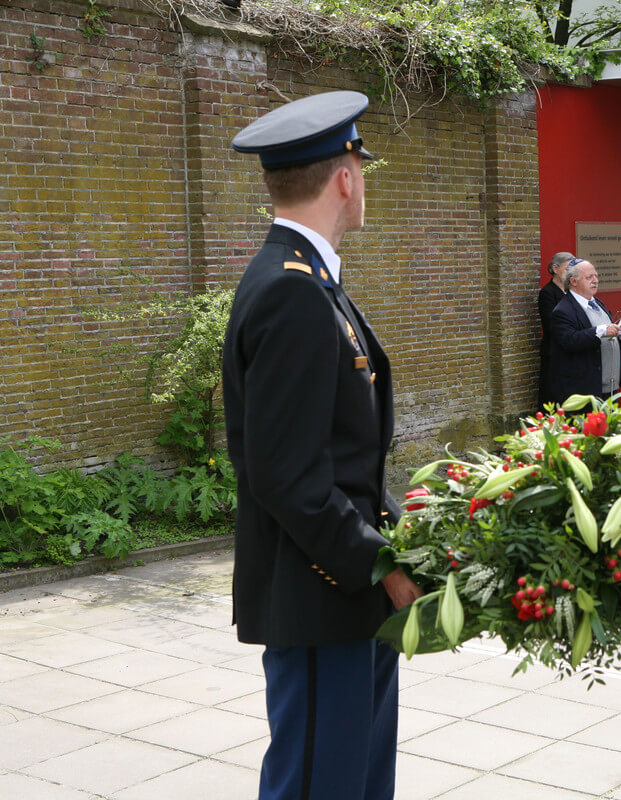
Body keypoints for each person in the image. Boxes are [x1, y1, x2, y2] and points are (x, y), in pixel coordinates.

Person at [223, 90, 423, 800]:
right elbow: (288, 475)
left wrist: (403, 522)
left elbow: (336, 453)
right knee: (320, 786)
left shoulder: (310, 283)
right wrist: (382, 566)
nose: (363, 180)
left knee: (356, 784)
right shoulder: (292, 293)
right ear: (345, 176)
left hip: (341, 599)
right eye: (361, 166)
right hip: (323, 602)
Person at [545, 258, 621, 403]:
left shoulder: (598, 302)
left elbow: (605, 336)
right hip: (585, 390)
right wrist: (601, 330)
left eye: (596, 276)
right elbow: (569, 341)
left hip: (610, 387)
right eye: (589, 277)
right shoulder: (563, 310)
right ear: (573, 281)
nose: (595, 280)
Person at [537, 252, 573, 406]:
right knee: (553, 393)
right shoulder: (548, 293)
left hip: (570, 348)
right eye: (567, 269)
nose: (570, 274)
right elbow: (552, 323)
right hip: (554, 351)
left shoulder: (572, 292)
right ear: (555, 268)